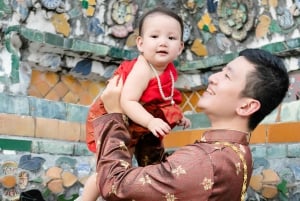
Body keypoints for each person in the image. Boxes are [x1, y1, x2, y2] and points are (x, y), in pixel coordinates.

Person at [93, 48, 290, 201]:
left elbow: (115, 186)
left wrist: (114, 116)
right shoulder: (235, 152)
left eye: (227, 76)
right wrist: (147, 124)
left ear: (247, 106)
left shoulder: (205, 160)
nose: (213, 78)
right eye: (220, 71)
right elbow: (165, 181)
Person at [82, 7, 191, 201]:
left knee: (139, 163)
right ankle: (84, 199)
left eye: (171, 38)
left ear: (180, 47)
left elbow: (164, 97)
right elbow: (127, 101)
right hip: (115, 116)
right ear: (140, 43)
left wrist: (177, 114)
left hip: (136, 122)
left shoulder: (169, 70)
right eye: (155, 36)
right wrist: (150, 122)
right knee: (110, 164)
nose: (163, 42)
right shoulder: (143, 68)